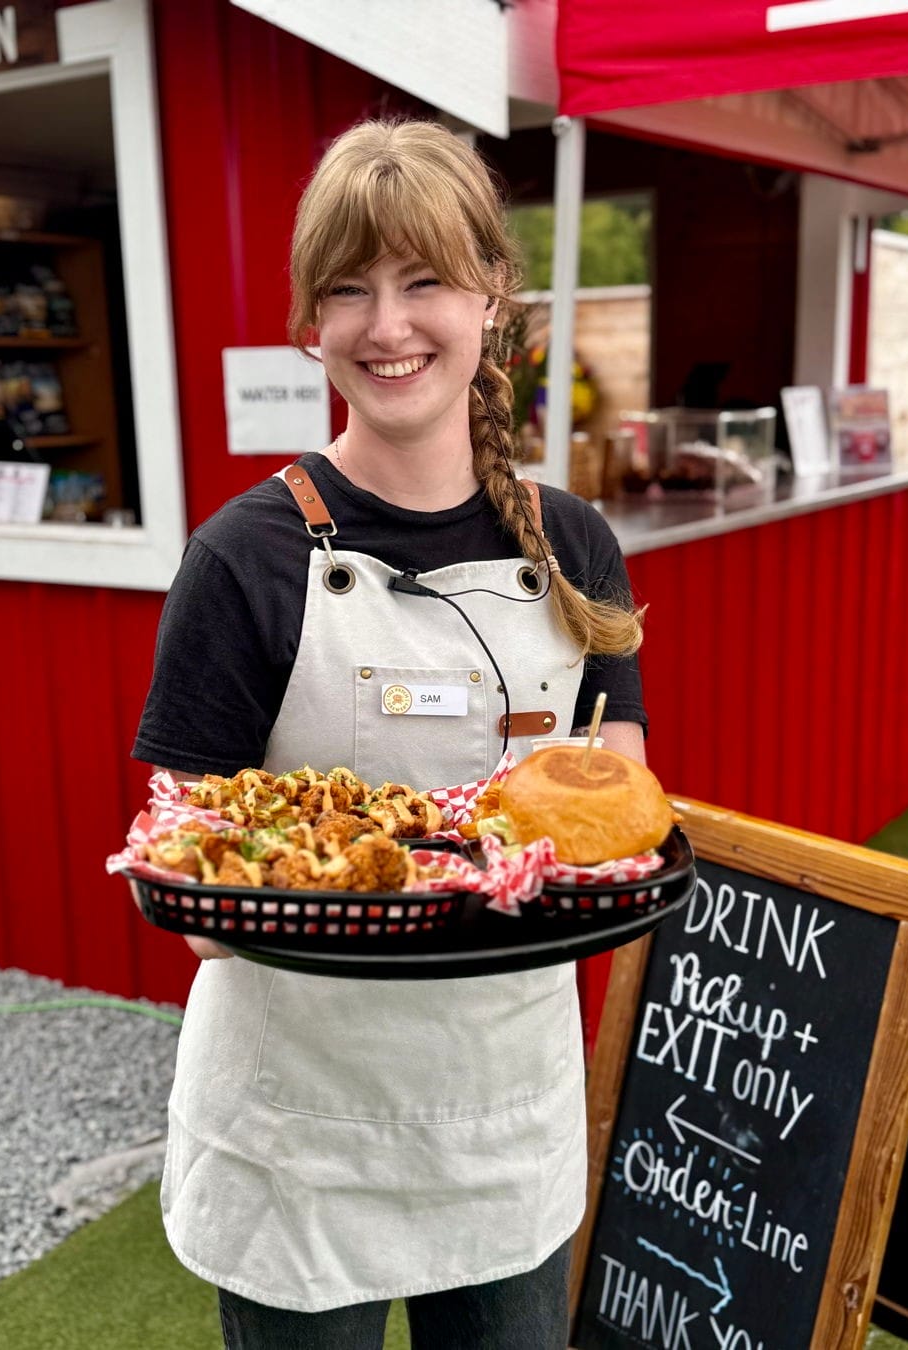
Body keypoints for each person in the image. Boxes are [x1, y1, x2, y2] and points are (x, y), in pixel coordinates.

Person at [132, 117, 648, 1349]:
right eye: (348, 290)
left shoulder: (572, 544)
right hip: (298, 1130)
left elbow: (618, 794)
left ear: (489, 300)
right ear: (311, 324)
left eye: (424, 281)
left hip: (502, 1114)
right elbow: (184, 851)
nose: (387, 325)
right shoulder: (245, 556)